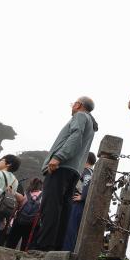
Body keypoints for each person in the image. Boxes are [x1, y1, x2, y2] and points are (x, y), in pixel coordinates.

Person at [32, 96, 98, 251]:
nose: (72, 107)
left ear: (78, 105)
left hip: (62, 166)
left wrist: (58, 157)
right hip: (74, 169)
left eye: (73, 104)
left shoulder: (80, 116)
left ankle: (44, 245)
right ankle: (55, 247)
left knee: (51, 205)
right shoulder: (90, 121)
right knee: (63, 208)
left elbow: (75, 136)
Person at [61, 152, 96, 252]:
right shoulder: (92, 171)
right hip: (81, 204)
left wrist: (83, 197)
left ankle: (66, 252)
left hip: (78, 204)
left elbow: (87, 182)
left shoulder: (86, 171)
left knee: (71, 228)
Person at [5, 177, 43, 250]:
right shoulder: (43, 196)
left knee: (11, 242)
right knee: (26, 246)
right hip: (33, 224)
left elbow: (18, 206)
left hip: (20, 221)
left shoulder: (26, 193)